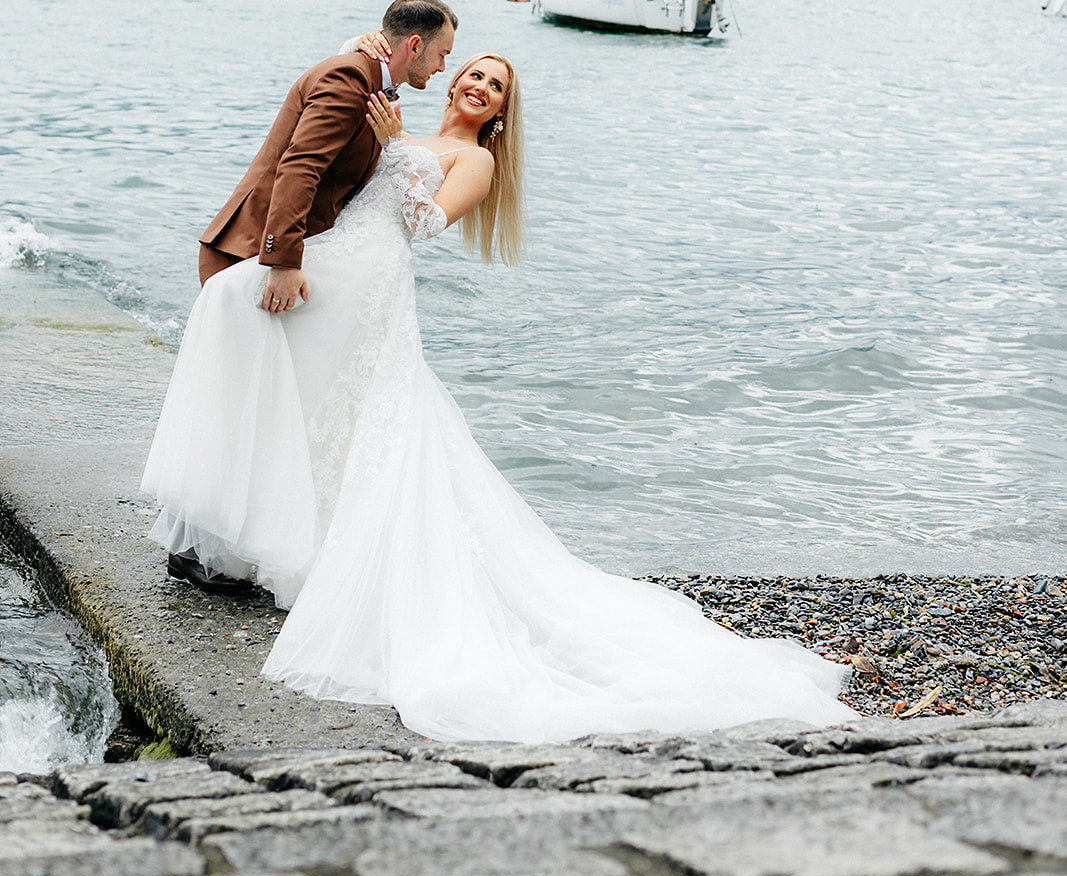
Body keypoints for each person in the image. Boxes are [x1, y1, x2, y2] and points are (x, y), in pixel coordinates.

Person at [146, 39, 853, 742]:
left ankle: (313, 554)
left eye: (496, 86)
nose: (481, 86)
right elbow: (333, 140)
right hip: (337, 256)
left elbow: (425, 223)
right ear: (452, 78)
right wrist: (362, 73)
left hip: (374, 277)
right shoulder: (400, 119)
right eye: (475, 73)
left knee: (309, 370)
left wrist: (393, 150)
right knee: (292, 375)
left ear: (500, 112)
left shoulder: (475, 159)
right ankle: (259, 533)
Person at [145, 0, 457, 593]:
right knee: (238, 406)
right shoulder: (351, 77)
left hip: (282, 250)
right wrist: (284, 262)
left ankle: (205, 548)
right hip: (252, 251)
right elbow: (300, 167)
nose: (444, 67)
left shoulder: (369, 81)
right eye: (442, 54)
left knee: (251, 405)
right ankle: (200, 550)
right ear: (415, 45)